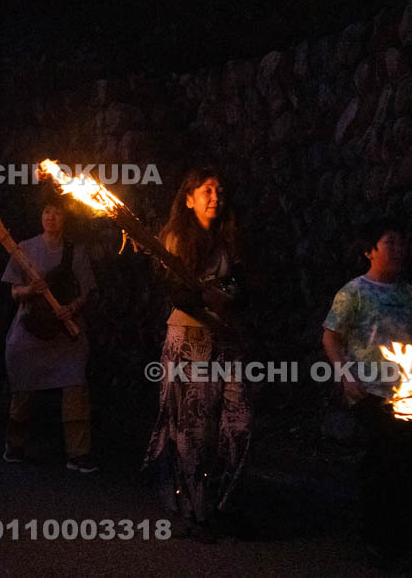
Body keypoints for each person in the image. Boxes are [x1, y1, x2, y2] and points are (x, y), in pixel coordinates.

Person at [322, 217, 412, 567]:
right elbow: (330, 336)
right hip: (370, 393)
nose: (399, 249)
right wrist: (345, 375)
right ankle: (376, 536)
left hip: (408, 394)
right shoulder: (353, 292)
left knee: (405, 464)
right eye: (390, 242)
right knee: (381, 464)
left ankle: (400, 540)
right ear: (370, 250)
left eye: (402, 243)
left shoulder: (408, 294)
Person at [142, 168, 252, 543]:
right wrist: (202, 296)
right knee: (194, 428)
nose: (214, 197)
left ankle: (223, 501)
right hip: (189, 340)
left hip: (225, 341)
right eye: (206, 190)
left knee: (239, 423)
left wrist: (228, 291)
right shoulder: (174, 238)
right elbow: (174, 289)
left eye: (219, 190)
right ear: (189, 198)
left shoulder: (227, 240)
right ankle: (195, 510)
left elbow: (240, 280)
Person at [1, 195, 98, 472]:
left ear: (65, 218)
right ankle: (15, 445)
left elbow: (87, 290)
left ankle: (79, 453)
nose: (51, 217)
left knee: (75, 385)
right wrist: (31, 290)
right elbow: (14, 291)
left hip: (66, 333)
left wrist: (72, 308)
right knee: (23, 389)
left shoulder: (75, 251)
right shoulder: (23, 249)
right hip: (30, 331)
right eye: (46, 211)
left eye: (57, 212)